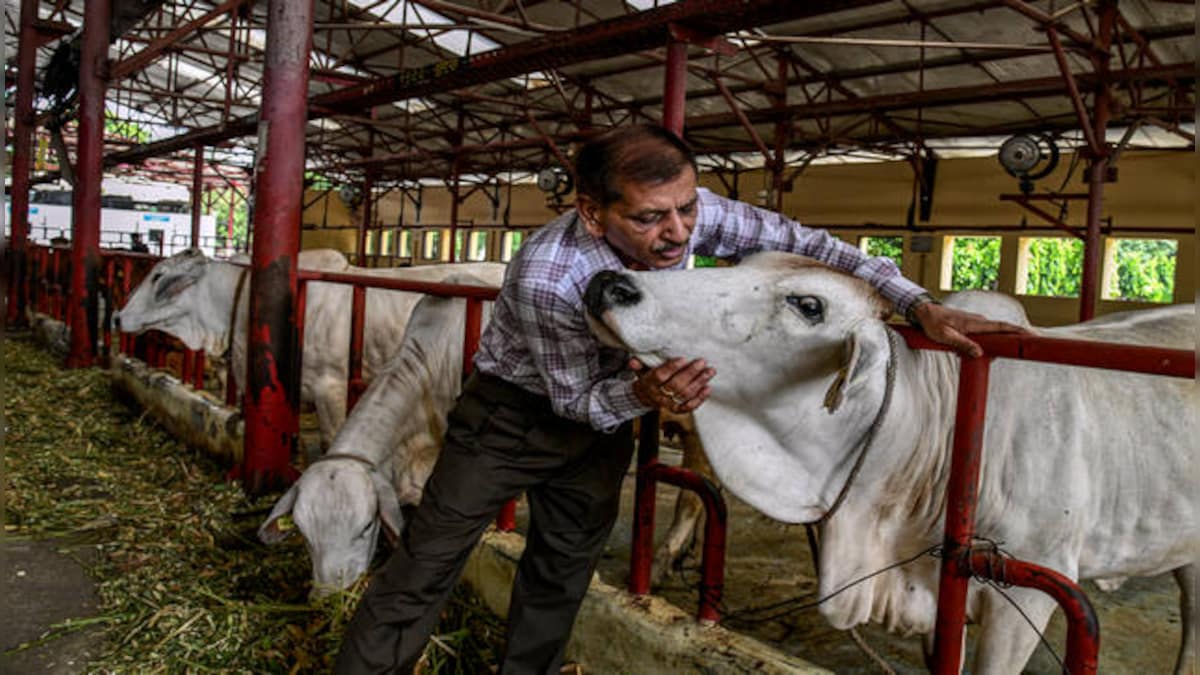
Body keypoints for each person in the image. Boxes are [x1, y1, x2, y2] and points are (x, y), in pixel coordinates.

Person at [334, 125, 1022, 674]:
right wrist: (643, 391)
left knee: (559, 576)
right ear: (592, 213)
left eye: (688, 208)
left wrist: (917, 303)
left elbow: (809, 244)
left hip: (604, 430)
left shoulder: (688, 216)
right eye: (651, 217)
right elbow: (574, 398)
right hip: (511, 417)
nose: (679, 231)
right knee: (425, 564)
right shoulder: (552, 274)